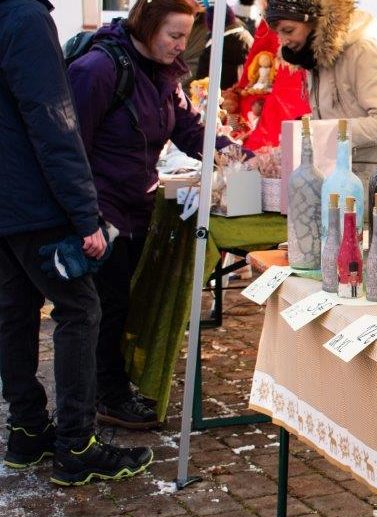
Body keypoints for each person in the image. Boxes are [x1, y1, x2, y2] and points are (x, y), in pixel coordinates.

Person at [0, 0, 152, 485]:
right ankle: (76, 443)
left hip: (10, 199)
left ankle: (27, 429)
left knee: (15, 309)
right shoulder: (25, 17)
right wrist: (86, 213)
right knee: (80, 308)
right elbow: (53, 120)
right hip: (31, 197)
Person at [67, 0, 232, 430]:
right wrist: (84, 215)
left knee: (124, 303)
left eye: (186, 36)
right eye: (174, 35)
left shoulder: (163, 75)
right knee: (107, 305)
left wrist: (232, 153)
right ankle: (106, 396)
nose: (181, 45)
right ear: (148, 25)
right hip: (101, 211)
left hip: (137, 207)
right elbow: (70, 147)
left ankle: (113, 386)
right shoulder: (97, 70)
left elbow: (189, 128)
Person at [266, 0, 377, 184]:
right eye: (278, 33)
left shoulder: (363, 53)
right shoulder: (313, 61)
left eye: (289, 30)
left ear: (316, 19)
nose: (283, 41)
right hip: (338, 181)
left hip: (372, 185)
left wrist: (326, 132)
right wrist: (305, 130)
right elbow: (338, 114)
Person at [196, 5, 254, 90]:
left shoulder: (212, 49)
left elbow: (200, 83)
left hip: (220, 95)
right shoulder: (248, 38)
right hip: (247, 91)